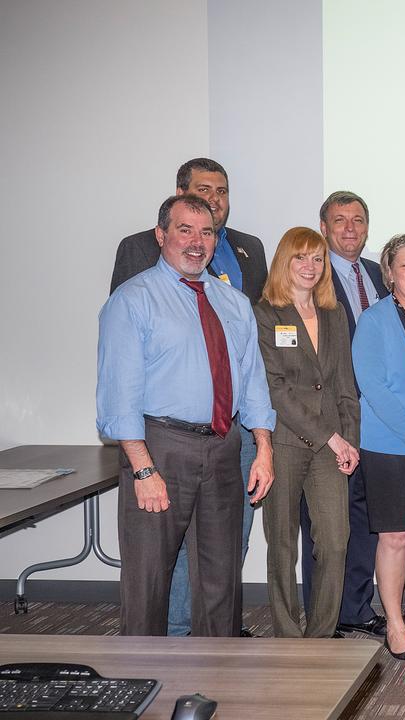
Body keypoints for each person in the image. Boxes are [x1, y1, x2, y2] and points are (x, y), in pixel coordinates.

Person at [97, 194, 275, 636]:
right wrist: (142, 470)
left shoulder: (233, 304)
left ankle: (219, 675)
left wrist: (264, 447)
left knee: (221, 577)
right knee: (150, 578)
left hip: (225, 448)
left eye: (207, 232)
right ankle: (142, 682)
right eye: (185, 230)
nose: (197, 242)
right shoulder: (133, 300)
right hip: (161, 450)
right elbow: (119, 394)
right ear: (161, 236)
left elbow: (252, 381)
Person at [254, 227, 360, 638]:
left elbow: (345, 385)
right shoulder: (266, 313)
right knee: (282, 547)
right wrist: (332, 437)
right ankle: (286, 636)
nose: (310, 267)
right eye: (301, 258)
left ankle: (320, 637)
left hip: (331, 447)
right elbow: (276, 389)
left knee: (335, 542)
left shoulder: (334, 313)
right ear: (285, 261)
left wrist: (349, 438)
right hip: (283, 443)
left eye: (318, 259)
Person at [352, 233, 405, 660]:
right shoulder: (374, 321)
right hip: (390, 447)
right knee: (396, 537)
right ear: (389, 274)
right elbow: (373, 388)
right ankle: (395, 625)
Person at [317, 190, 390, 637]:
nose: (350, 228)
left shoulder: (376, 277)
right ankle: (325, 616)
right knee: (327, 527)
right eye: (340, 220)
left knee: (364, 520)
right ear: (324, 226)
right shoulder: (310, 273)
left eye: (358, 220)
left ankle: (356, 609)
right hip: (328, 421)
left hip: (374, 420)